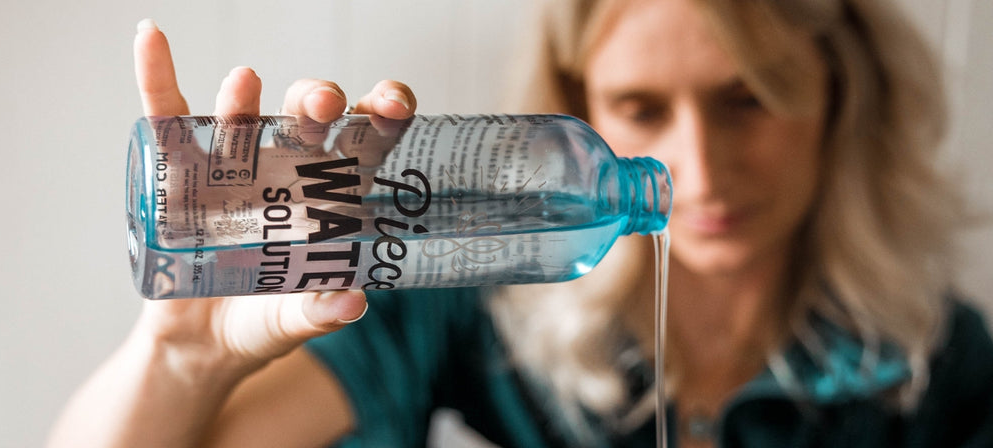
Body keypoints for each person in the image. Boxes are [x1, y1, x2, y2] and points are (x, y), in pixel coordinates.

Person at [48, 0, 993, 447]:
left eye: (748, 99)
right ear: (579, 106)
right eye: (643, 105)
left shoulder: (939, 364)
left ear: (837, 98)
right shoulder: (469, 307)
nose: (698, 170)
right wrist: (184, 357)